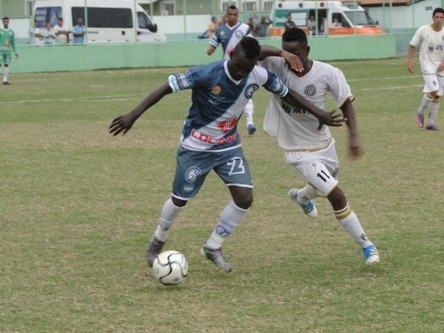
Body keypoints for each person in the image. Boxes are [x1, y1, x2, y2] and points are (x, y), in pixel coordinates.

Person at [109, 37, 343, 273]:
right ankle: (157, 241)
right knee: (180, 200)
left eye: (247, 69)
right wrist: (133, 114)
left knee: (244, 198)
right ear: (230, 54)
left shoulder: (258, 75)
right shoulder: (206, 74)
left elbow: (287, 93)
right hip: (196, 147)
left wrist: (318, 113)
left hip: (228, 148)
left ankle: (213, 246)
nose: (241, 72)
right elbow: (165, 88)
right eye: (238, 66)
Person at [260, 28, 380, 266]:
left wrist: (353, 136)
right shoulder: (276, 64)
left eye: (296, 53)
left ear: (307, 50)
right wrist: (280, 53)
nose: (292, 58)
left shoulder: (328, 73)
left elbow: (346, 103)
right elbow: (246, 49)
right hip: (297, 151)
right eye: (287, 52)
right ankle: (367, 246)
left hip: (324, 145)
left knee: (323, 185)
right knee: (335, 193)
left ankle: (301, 197)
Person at [207, 5, 257, 135]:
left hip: (242, 68)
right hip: (226, 68)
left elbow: (252, 46)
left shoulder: (244, 29)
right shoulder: (220, 30)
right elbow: (211, 48)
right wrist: (210, 49)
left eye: (235, 15)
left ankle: (250, 123)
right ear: (226, 15)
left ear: (238, 15)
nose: (232, 17)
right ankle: (222, 124)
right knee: (224, 96)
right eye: (230, 14)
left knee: (246, 94)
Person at [407, 7, 444, 131]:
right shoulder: (423, 30)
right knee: (434, 89)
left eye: (441, 17)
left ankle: (430, 123)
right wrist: (409, 62)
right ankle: (420, 111)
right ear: (433, 18)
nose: (439, 19)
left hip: (440, 66)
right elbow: (412, 45)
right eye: (437, 17)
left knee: (438, 95)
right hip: (427, 65)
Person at [0, 17, 18, 86]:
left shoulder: (11, 32)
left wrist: (15, 52)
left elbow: (13, 43)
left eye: (7, 21)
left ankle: (5, 80)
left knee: (6, 65)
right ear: (2, 22)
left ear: (9, 22)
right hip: (0, 51)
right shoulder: (0, 31)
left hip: (8, 51)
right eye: (4, 21)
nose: (6, 23)